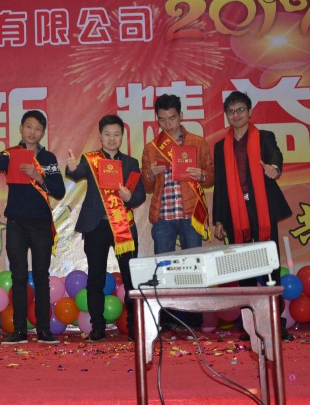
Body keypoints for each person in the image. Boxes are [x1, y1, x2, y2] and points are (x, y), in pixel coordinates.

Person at [211, 91, 293, 341]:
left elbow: (276, 156)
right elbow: (221, 185)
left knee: (270, 267)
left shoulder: (264, 137)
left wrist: (274, 168)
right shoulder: (220, 147)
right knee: (243, 269)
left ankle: (275, 324)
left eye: (240, 110)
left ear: (249, 112)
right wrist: (218, 219)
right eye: (231, 111)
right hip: (235, 213)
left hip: (262, 209)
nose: (236, 115)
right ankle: (249, 325)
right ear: (226, 115)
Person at [0, 110, 66, 345]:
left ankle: (44, 330)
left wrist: (39, 178)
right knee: (18, 276)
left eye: (37, 128)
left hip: (40, 224)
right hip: (16, 223)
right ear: (21, 128)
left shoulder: (48, 158)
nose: (32, 132)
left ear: (43, 133)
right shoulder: (10, 154)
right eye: (28, 127)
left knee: (41, 276)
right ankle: (19, 331)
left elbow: (59, 190)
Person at [66, 114, 146, 341]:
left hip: (123, 226)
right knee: (96, 279)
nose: (112, 139)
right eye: (107, 134)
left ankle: (134, 328)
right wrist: (71, 168)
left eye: (116, 134)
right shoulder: (90, 160)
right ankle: (97, 328)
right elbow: (76, 172)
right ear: (100, 137)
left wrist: (129, 197)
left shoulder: (130, 163)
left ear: (122, 136)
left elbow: (139, 195)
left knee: (130, 279)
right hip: (96, 226)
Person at [142, 93, 214, 331]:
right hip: (163, 216)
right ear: (157, 119)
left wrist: (201, 175)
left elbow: (211, 177)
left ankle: (193, 319)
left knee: (194, 267)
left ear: (181, 115)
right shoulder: (152, 147)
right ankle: (168, 319)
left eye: (172, 118)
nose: (168, 124)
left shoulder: (197, 142)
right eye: (162, 120)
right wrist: (150, 174)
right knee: (163, 270)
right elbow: (146, 187)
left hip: (190, 213)